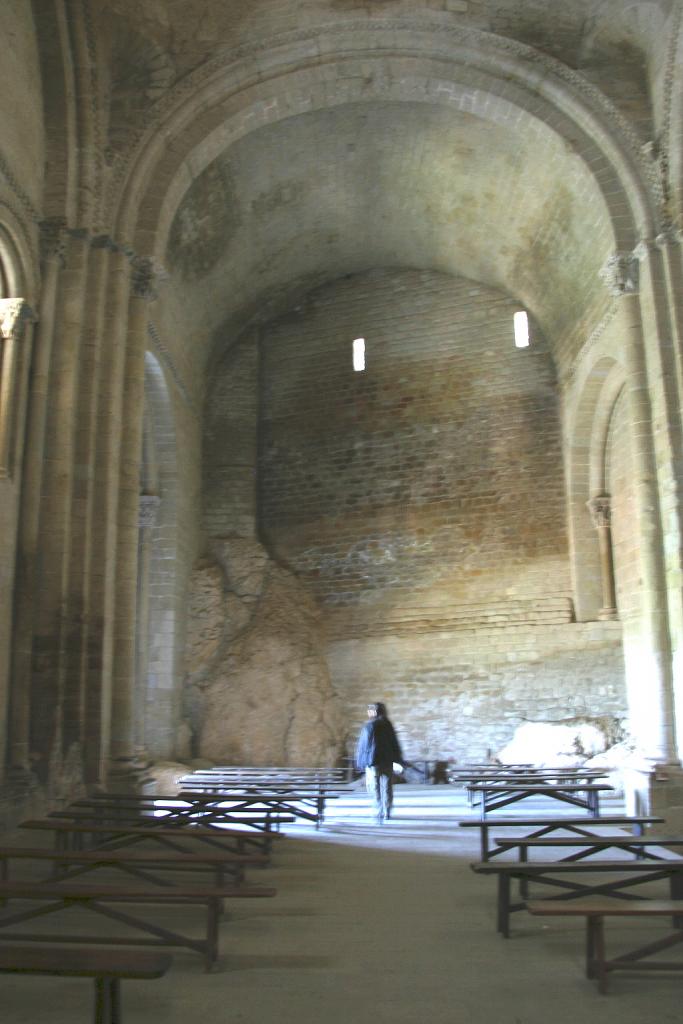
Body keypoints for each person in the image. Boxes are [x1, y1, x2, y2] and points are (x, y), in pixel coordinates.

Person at [355, 702, 404, 824]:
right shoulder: (388, 725)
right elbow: (394, 743)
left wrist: (361, 761)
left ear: (375, 712)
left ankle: (378, 810)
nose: (368, 712)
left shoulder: (369, 725)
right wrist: (398, 758)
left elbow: (363, 745)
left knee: (375, 787)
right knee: (387, 786)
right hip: (387, 761)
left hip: (374, 761)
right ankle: (387, 810)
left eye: (370, 710)